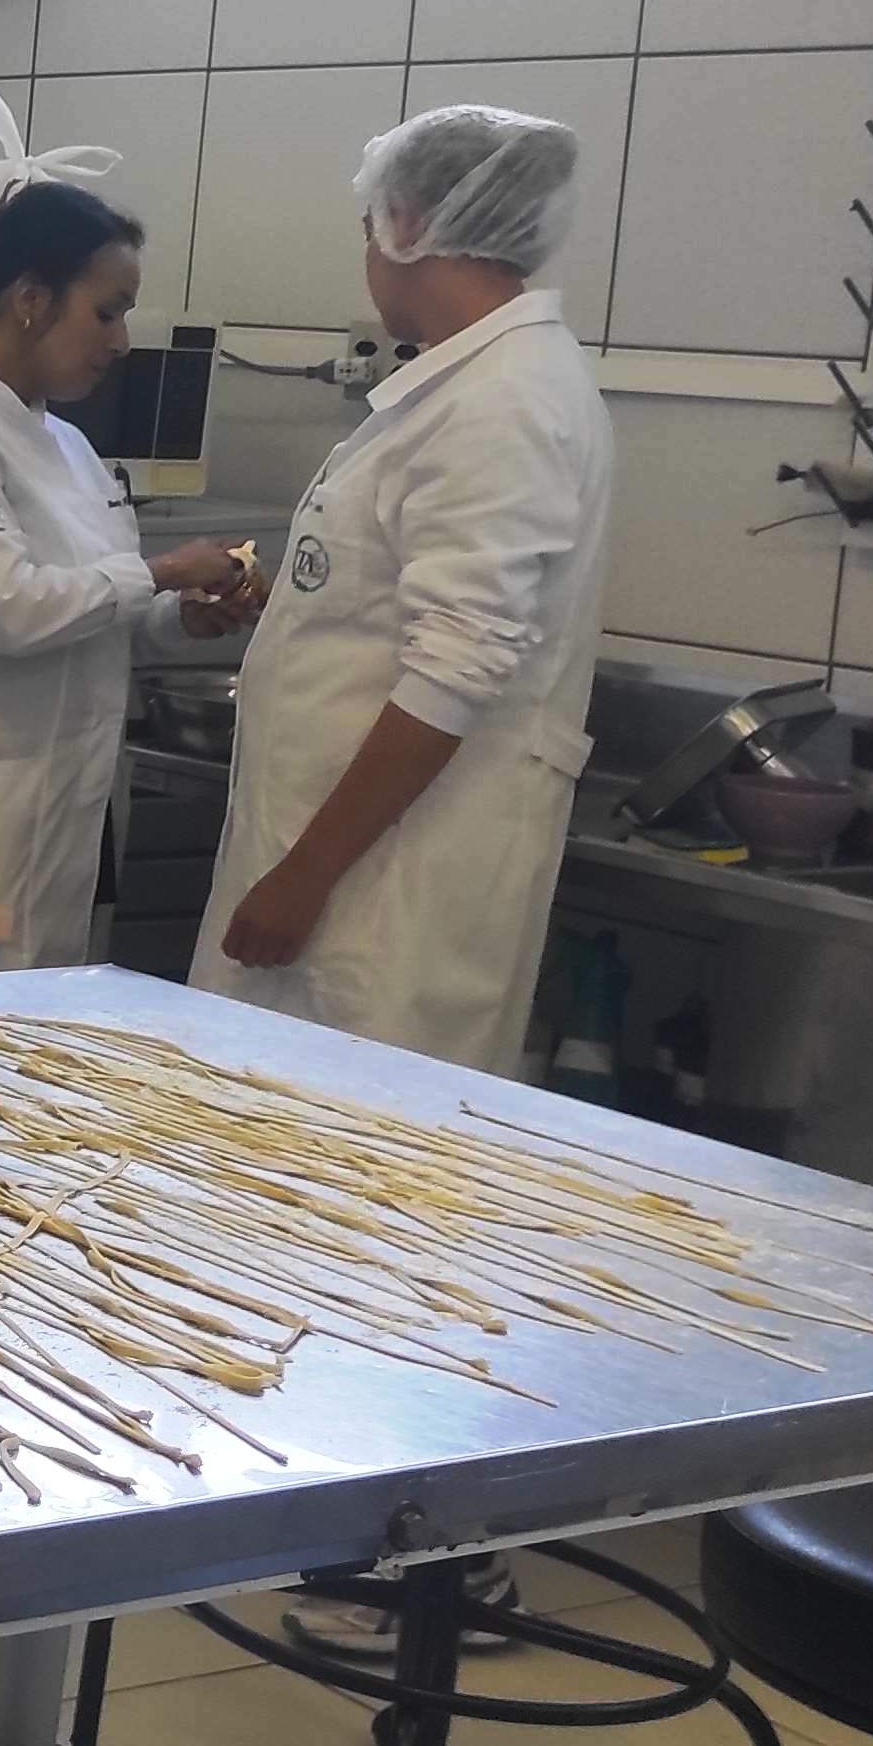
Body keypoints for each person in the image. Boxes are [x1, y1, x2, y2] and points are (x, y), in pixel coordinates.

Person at [195, 104, 612, 1070]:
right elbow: (411, 599)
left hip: (379, 908)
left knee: (337, 1140)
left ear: (410, 223)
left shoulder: (504, 402)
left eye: (368, 226)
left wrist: (305, 875)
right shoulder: (464, 388)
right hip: (344, 881)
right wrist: (298, 606)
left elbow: (456, 668)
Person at [0, 176, 255, 979]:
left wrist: (177, 617)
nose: (122, 341)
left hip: (64, 812)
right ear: (31, 299)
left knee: (39, 1035)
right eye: (107, 312)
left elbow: (98, 618)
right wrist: (162, 571)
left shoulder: (68, 445)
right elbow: (5, 609)